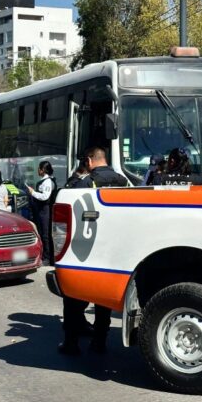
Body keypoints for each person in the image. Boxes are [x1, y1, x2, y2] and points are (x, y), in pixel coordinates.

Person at [59, 147, 128, 356]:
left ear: (89, 161)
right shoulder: (122, 181)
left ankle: (71, 344)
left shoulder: (85, 183)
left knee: (73, 300)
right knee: (102, 301)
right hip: (112, 250)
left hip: (88, 247)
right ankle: (99, 342)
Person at [26, 160, 56, 265]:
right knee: (42, 233)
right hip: (41, 210)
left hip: (45, 210)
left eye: (39, 168)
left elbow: (45, 196)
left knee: (45, 234)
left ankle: (47, 258)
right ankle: (44, 256)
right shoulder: (43, 181)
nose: (38, 170)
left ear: (43, 170)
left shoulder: (47, 181)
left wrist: (32, 192)